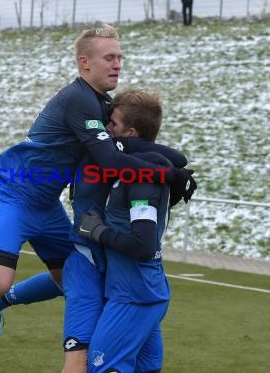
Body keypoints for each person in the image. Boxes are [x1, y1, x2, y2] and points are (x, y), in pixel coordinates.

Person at [0, 24, 195, 341]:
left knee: (69, 279)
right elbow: (113, 160)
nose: (117, 64)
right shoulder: (78, 99)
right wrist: (170, 174)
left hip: (46, 204)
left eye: (119, 57)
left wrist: (175, 164)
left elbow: (132, 145)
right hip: (14, 195)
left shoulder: (104, 105)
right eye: (109, 57)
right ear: (84, 63)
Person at [78, 90, 175, 372]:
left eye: (114, 124)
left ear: (130, 132)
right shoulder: (134, 169)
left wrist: (98, 231)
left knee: (103, 368)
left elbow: (142, 245)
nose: (107, 128)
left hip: (135, 296)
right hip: (141, 293)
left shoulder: (143, 178)